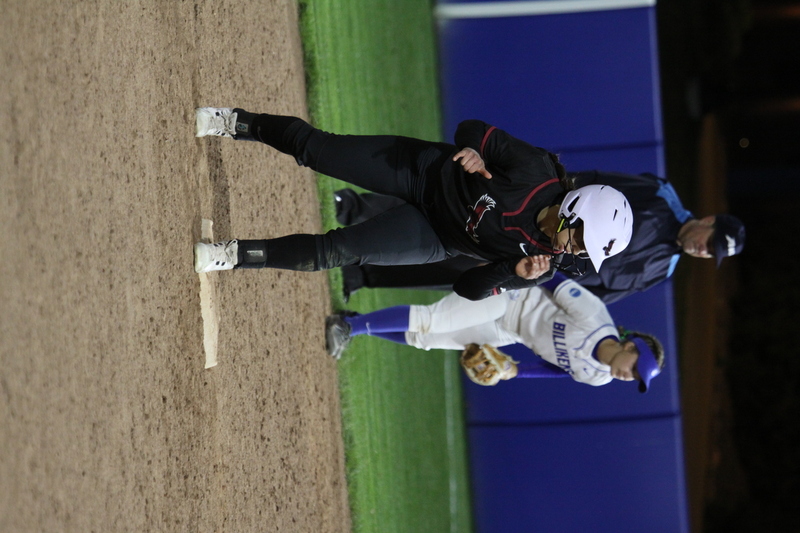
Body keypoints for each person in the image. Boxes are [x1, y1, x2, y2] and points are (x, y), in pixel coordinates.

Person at [192, 107, 634, 300]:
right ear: (577, 209)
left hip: (437, 235)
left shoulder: (537, 265)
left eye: (583, 252)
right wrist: (475, 151)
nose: (575, 252)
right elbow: (472, 127)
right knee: (316, 150)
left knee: (339, 251)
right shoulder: (536, 170)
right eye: (582, 240)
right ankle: (234, 122)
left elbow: (465, 288)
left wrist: (510, 273)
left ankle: (231, 256)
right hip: (422, 170)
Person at [333, 169, 746, 303]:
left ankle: (364, 276)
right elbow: (597, 184)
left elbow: (603, 293)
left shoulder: (664, 269)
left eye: (710, 254)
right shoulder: (660, 195)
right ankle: (354, 205)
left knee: (449, 270)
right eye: (710, 241)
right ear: (708, 220)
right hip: (541, 224)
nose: (702, 249)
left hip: (542, 269)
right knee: (448, 221)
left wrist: (543, 286)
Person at [324, 273, 665, 392]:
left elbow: (559, 370)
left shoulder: (598, 377)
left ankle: (358, 322)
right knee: (432, 320)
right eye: (636, 368)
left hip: (508, 331)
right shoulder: (594, 316)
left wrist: (514, 371)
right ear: (631, 346)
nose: (628, 376)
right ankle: (346, 327)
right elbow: (550, 279)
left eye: (635, 379)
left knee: (422, 339)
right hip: (512, 296)